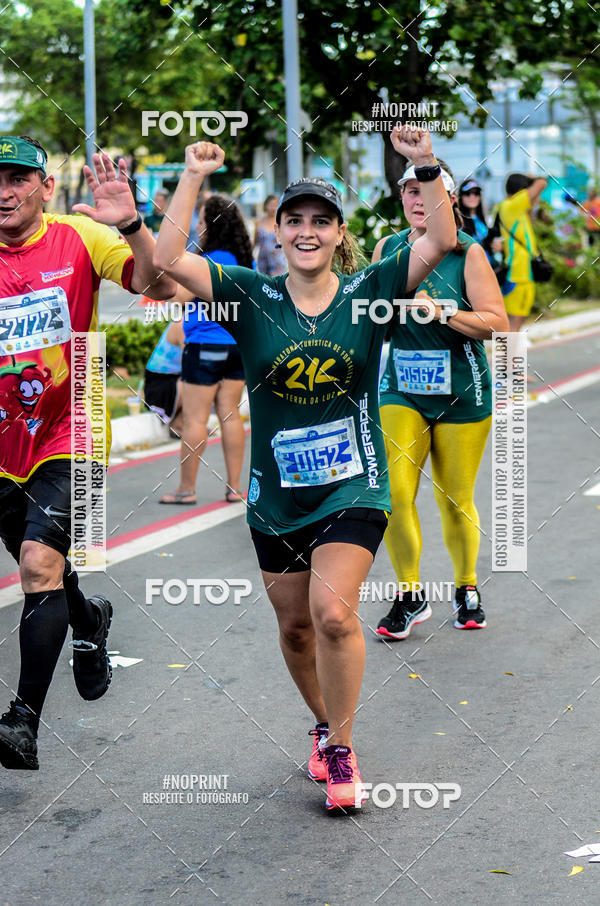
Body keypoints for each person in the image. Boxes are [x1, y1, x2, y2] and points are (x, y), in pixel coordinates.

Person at [153, 126, 456, 811]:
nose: (308, 230)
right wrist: (194, 173)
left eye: (321, 220)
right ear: (279, 230)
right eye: (295, 220)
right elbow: (169, 258)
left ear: (338, 231)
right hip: (275, 497)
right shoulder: (250, 296)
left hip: (354, 484)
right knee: (293, 628)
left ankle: (344, 747)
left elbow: (437, 241)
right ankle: (322, 726)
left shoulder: (370, 291)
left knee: (333, 614)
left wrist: (425, 164)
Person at [0, 135, 175, 770]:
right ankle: (90, 621)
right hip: (1, 440)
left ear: (46, 188)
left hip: (71, 426)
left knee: (37, 561)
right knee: (43, 570)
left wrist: (131, 223)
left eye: (19, 178)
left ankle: (23, 722)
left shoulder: (78, 236)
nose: (5, 191)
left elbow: (153, 279)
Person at [372, 161, 508, 640]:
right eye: (407, 191)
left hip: (461, 394)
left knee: (454, 498)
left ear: (447, 200)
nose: (414, 199)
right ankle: (409, 595)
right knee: (394, 494)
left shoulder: (467, 254)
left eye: (423, 191)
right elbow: (372, 317)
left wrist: (445, 312)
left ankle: (466, 588)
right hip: (400, 390)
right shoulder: (388, 248)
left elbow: (498, 324)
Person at [159, 194, 251, 505]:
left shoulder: (203, 262)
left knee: (196, 419)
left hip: (203, 346)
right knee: (231, 415)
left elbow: (176, 298)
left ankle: (186, 489)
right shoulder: (242, 260)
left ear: (212, 224)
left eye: (200, 219)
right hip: (237, 347)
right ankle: (236, 488)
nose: (198, 226)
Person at [497, 172, 548, 332]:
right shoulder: (511, 205)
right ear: (521, 192)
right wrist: (531, 179)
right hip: (516, 274)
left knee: (518, 323)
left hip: (525, 274)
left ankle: (511, 357)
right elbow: (542, 183)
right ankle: (506, 358)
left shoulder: (518, 211)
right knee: (512, 323)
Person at [144, 319, 184, 436]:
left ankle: (190, 422)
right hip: (160, 385)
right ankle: (178, 424)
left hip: (178, 377)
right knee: (198, 380)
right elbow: (193, 363)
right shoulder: (182, 325)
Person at [254, 194, 287, 275]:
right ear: (265, 206)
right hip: (263, 260)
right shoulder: (258, 222)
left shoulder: (280, 221)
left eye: (276, 205)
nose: (273, 208)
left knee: (277, 284)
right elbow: (255, 242)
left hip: (277, 260)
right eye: (271, 205)